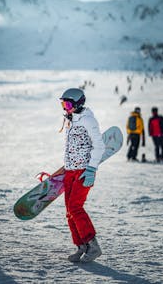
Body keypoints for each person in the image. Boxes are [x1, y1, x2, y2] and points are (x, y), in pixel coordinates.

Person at [59, 88, 105, 263]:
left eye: (68, 104)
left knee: (75, 207)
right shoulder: (71, 120)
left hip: (83, 171)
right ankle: (81, 247)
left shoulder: (88, 120)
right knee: (69, 211)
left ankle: (93, 246)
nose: (65, 108)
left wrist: (91, 169)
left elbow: (99, 146)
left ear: (78, 104)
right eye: (63, 104)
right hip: (70, 171)